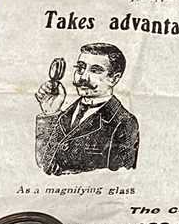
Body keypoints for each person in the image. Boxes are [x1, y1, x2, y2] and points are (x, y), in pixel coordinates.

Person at [34, 43, 139, 174]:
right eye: (80, 68)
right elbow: (42, 167)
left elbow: (119, 178)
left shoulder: (124, 123)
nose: (82, 77)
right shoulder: (62, 115)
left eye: (95, 71)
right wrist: (50, 113)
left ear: (114, 78)